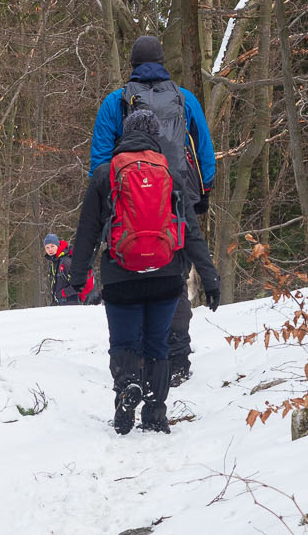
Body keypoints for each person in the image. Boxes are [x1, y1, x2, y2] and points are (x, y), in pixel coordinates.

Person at [69, 109, 220, 434]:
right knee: (157, 344)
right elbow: (191, 233)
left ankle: (127, 387)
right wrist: (210, 278)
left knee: (123, 343)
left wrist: (77, 277)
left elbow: (87, 233)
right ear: (156, 136)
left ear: (125, 135)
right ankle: (155, 412)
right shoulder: (172, 174)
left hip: (121, 277)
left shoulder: (106, 174)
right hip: (166, 276)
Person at [89, 33, 216, 384]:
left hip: (125, 208)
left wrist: (104, 198)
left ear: (132, 64)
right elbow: (203, 148)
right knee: (172, 278)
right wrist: (203, 190)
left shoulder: (115, 102)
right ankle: (176, 357)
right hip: (178, 200)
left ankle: (137, 360)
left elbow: (100, 159)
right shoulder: (184, 99)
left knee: (131, 274)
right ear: (162, 62)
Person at [43, 231, 95, 305]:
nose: (50, 250)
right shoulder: (54, 262)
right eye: (47, 247)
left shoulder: (66, 262)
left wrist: (63, 293)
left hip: (71, 301)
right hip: (61, 302)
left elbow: (79, 282)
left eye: (52, 246)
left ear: (57, 245)